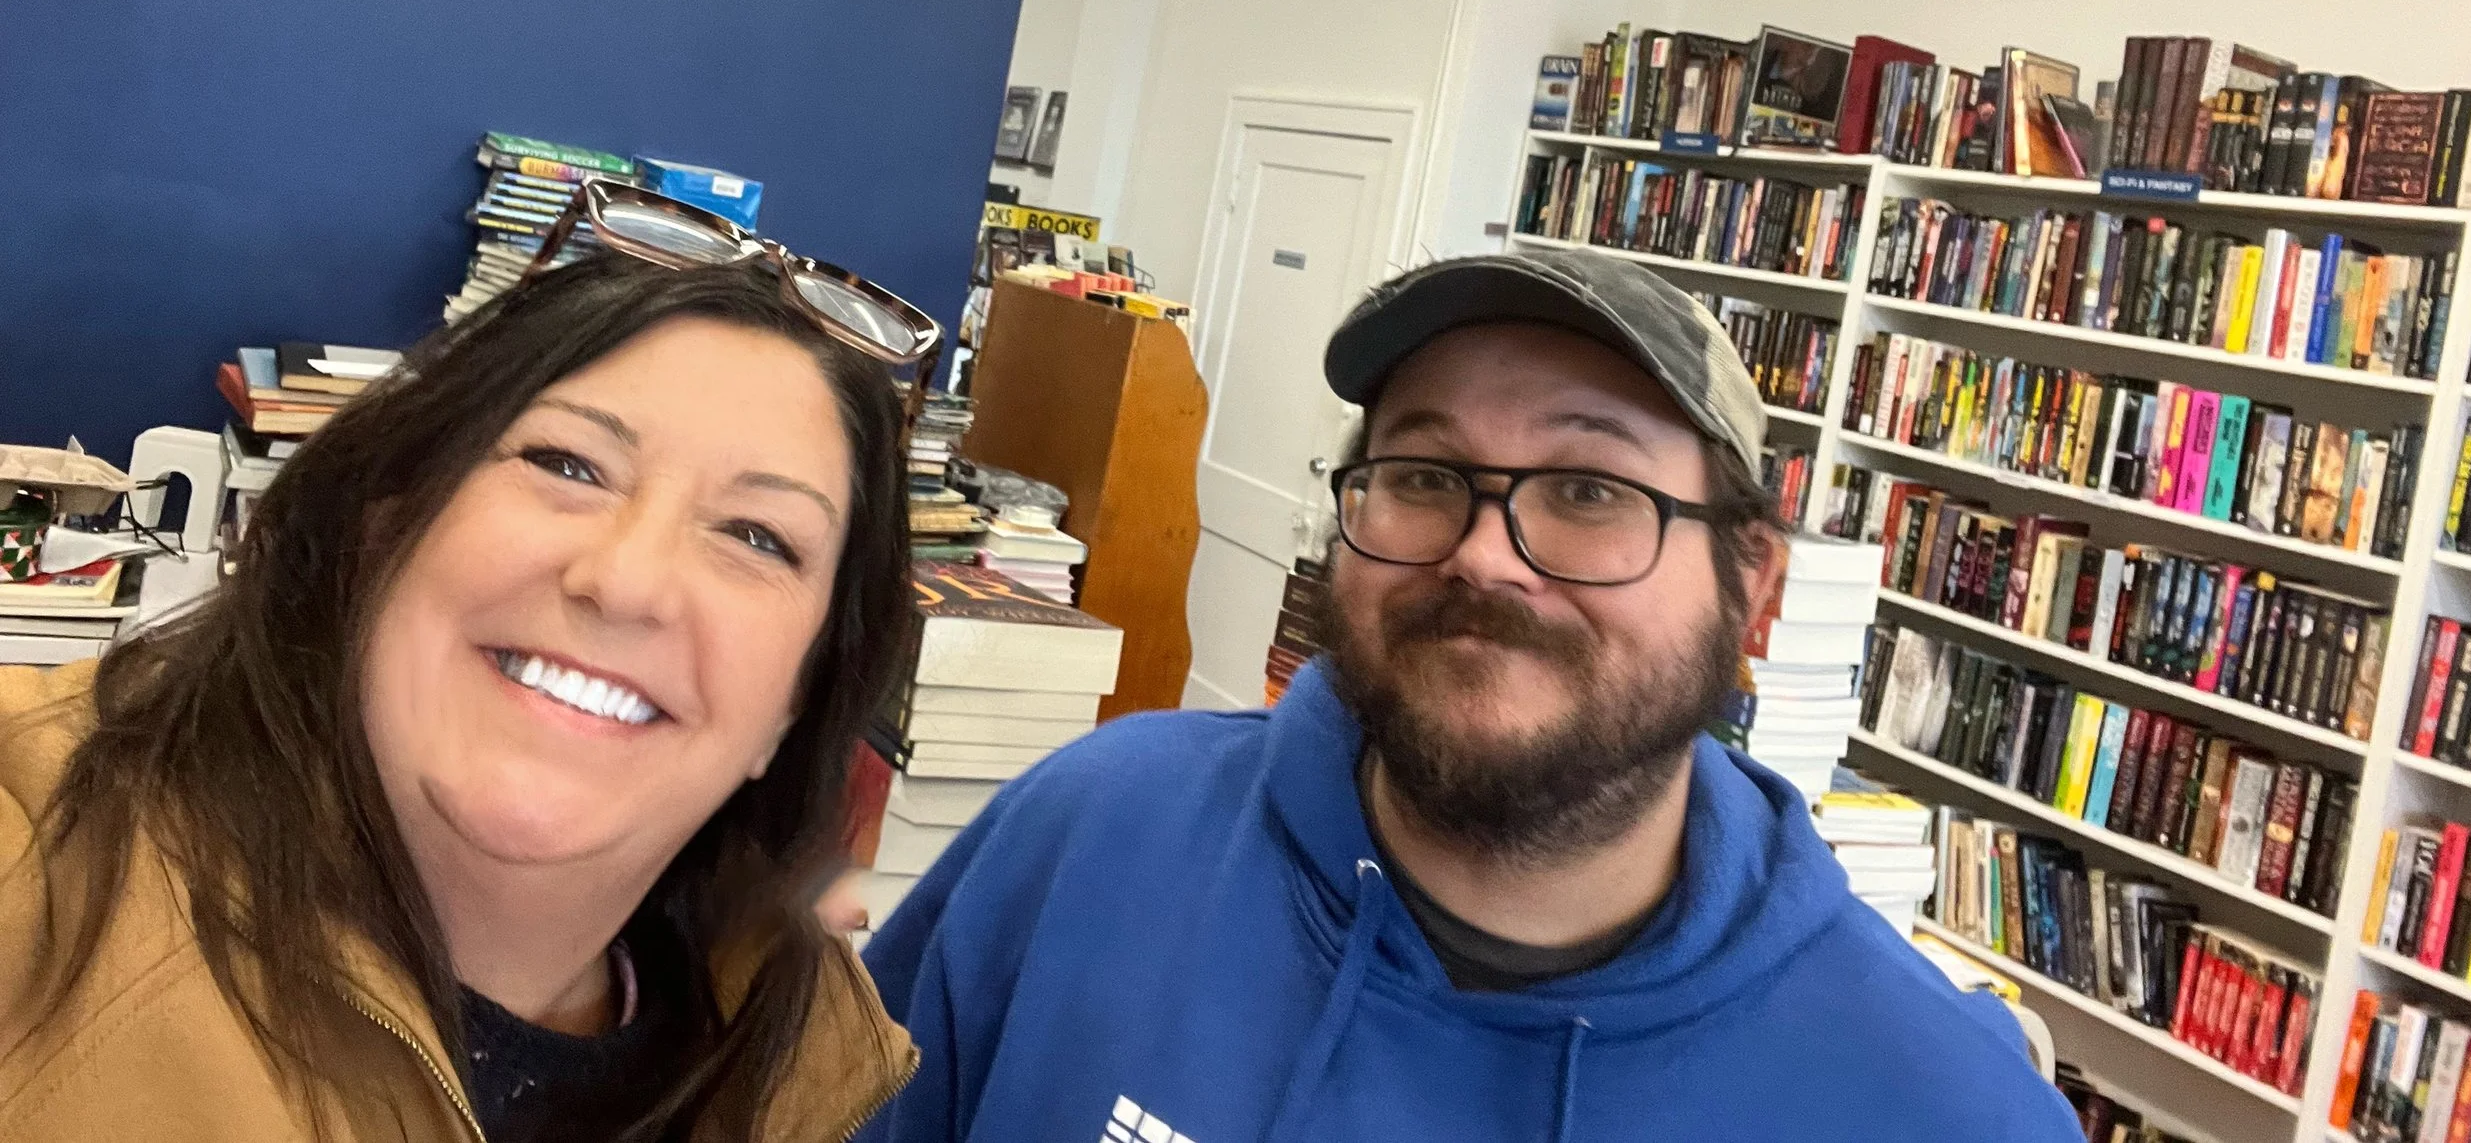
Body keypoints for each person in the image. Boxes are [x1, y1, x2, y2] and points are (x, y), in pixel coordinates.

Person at [863, 247, 2077, 1142]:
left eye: (1592, 491)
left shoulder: (1941, 1107)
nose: (1483, 557)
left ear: (1752, 587)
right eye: (1426, 472)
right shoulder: (1092, 832)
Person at [1, 184, 944, 1143]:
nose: (626, 581)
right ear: (385, 526)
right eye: (569, 465)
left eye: (756, 535)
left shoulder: (798, 1066)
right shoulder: (36, 859)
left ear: (796, 703)